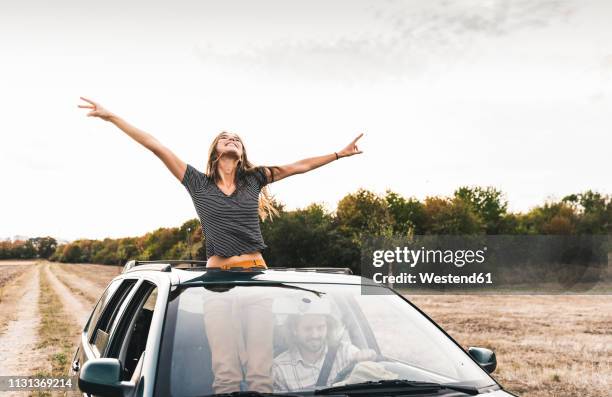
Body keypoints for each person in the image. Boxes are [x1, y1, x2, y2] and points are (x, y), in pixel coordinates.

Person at [77, 96, 365, 393]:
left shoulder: (254, 179)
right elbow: (155, 145)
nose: (232, 140)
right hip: (215, 283)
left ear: (242, 153)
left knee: (259, 370)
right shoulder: (197, 182)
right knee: (225, 369)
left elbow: (299, 166)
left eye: (237, 139)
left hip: (255, 278)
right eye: (226, 138)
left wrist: (338, 154)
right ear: (216, 150)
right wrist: (111, 117)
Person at [272, 298, 377, 392]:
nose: (315, 335)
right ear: (294, 330)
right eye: (308, 329)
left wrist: (368, 357)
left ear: (328, 327)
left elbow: (368, 369)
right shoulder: (280, 369)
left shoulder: (345, 352)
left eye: (320, 327)